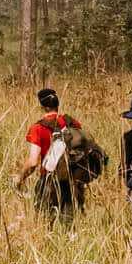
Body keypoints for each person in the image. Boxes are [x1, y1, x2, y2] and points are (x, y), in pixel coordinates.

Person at [14, 88, 100, 216]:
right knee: (69, 225)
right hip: (73, 182)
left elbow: (32, 162)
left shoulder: (37, 128)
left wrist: (20, 179)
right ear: (57, 104)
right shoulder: (72, 123)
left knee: (45, 223)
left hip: (50, 182)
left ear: (42, 106)